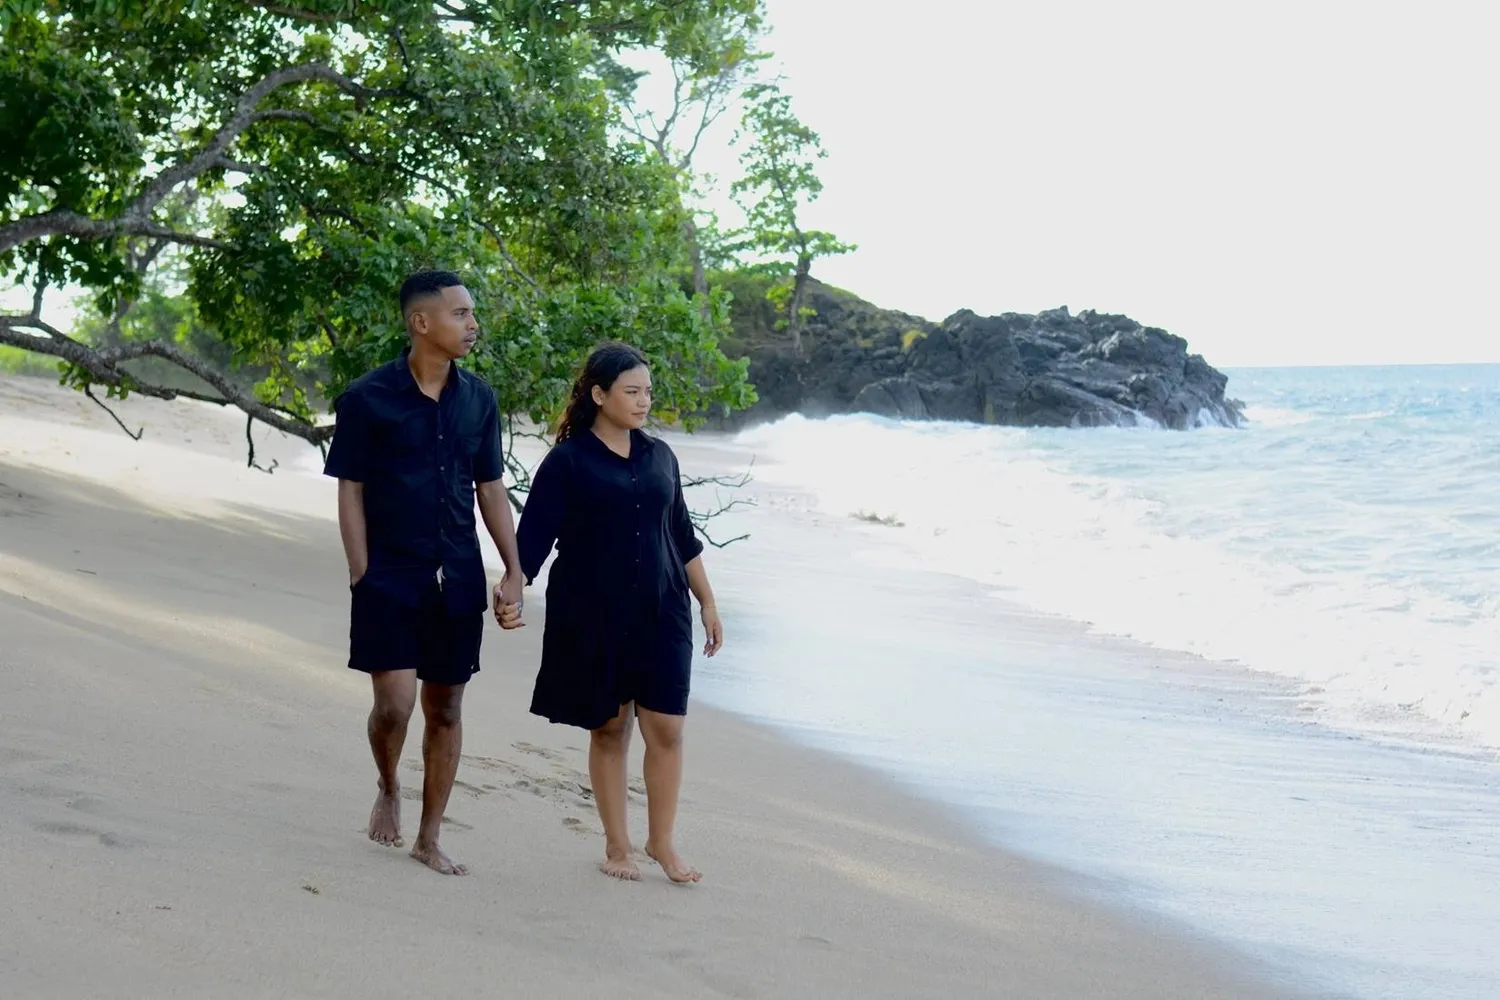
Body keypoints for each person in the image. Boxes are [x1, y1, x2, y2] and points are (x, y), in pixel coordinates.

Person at [323, 269, 524, 876]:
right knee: (395, 706)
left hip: (457, 574)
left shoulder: (479, 399)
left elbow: (490, 488)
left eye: (471, 313)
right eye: (460, 314)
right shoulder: (367, 398)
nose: (473, 324)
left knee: (447, 710)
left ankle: (429, 837)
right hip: (389, 573)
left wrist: (513, 569)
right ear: (421, 322)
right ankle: (389, 784)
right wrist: (361, 572)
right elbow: (350, 489)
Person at [504, 341, 724, 884]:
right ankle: (617, 845)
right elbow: (532, 540)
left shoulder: (661, 457)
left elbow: (682, 535)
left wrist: (708, 601)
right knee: (609, 727)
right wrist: (512, 589)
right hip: (593, 611)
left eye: (648, 391)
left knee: (667, 728)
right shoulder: (568, 460)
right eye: (632, 391)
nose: (644, 401)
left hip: (663, 608)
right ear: (600, 395)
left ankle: (661, 841)